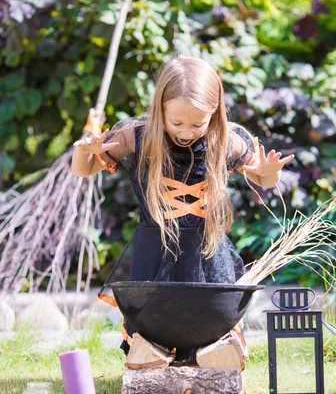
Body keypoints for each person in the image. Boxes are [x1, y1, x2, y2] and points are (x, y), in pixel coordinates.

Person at [71, 55, 293, 360]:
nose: (186, 131)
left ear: (214, 114)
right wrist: (85, 151)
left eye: (197, 123)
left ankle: (214, 356)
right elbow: (84, 170)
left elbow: (265, 179)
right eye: (176, 122)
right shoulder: (137, 137)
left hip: (208, 252)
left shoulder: (224, 140)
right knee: (154, 322)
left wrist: (270, 169)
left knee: (209, 320)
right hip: (157, 248)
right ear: (160, 106)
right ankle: (151, 356)